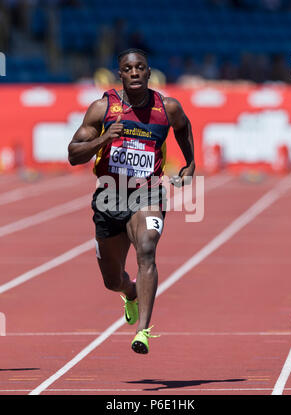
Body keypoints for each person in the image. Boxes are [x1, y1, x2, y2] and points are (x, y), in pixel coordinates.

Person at [68, 48, 195, 354]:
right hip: (110, 194)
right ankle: (131, 293)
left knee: (147, 249)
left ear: (149, 73)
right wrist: (103, 139)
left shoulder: (168, 108)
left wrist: (190, 163)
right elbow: (73, 154)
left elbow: (183, 128)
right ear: (120, 74)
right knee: (113, 280)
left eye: (140, 67)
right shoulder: (102, 109)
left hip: (148, 191)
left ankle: (143, 332)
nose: (135, 72)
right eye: (128, 68)